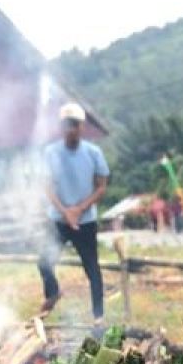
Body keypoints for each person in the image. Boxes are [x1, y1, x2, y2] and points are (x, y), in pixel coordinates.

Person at [39, 102, 109, 321]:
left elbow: (101, 186)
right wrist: (65, 211)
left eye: (75, 124)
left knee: (92, 268)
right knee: (44, 261)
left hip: (85, 221)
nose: (71, 129)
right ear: (61, 127)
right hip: (58, 219)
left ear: (82, 127)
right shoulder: (50, 152)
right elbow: (47, 186)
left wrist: (79, 209)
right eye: (67, 124)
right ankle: (53, 292)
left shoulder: (93, 152)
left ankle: (98, 316)